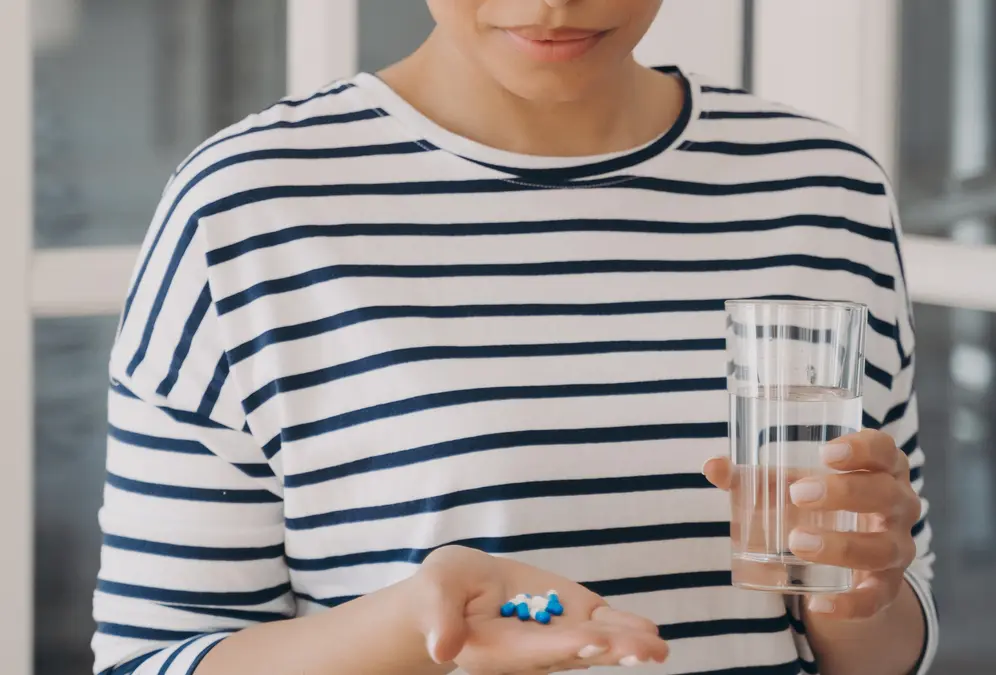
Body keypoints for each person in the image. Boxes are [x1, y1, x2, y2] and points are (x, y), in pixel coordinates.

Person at [92, 1, 937, 673]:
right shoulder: (248, 206)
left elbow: (890, 640)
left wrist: (859, 588)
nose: (554, 2)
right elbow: (152, 657)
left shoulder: (824, 189)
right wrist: (409, 629)